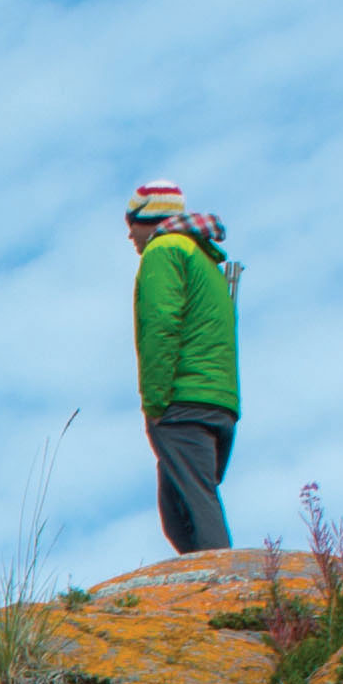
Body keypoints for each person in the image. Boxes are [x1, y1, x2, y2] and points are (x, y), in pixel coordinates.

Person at [125, 183, 239, 553]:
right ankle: (207, 594)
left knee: (195, 507)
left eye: (133, 222)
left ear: (152, 219)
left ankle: (225, 593)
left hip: (182, 400)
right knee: (178, 513)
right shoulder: (204, 258)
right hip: (219, 401)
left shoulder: (164, 251)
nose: (129, 233)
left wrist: (155, 404)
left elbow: (161, 326)